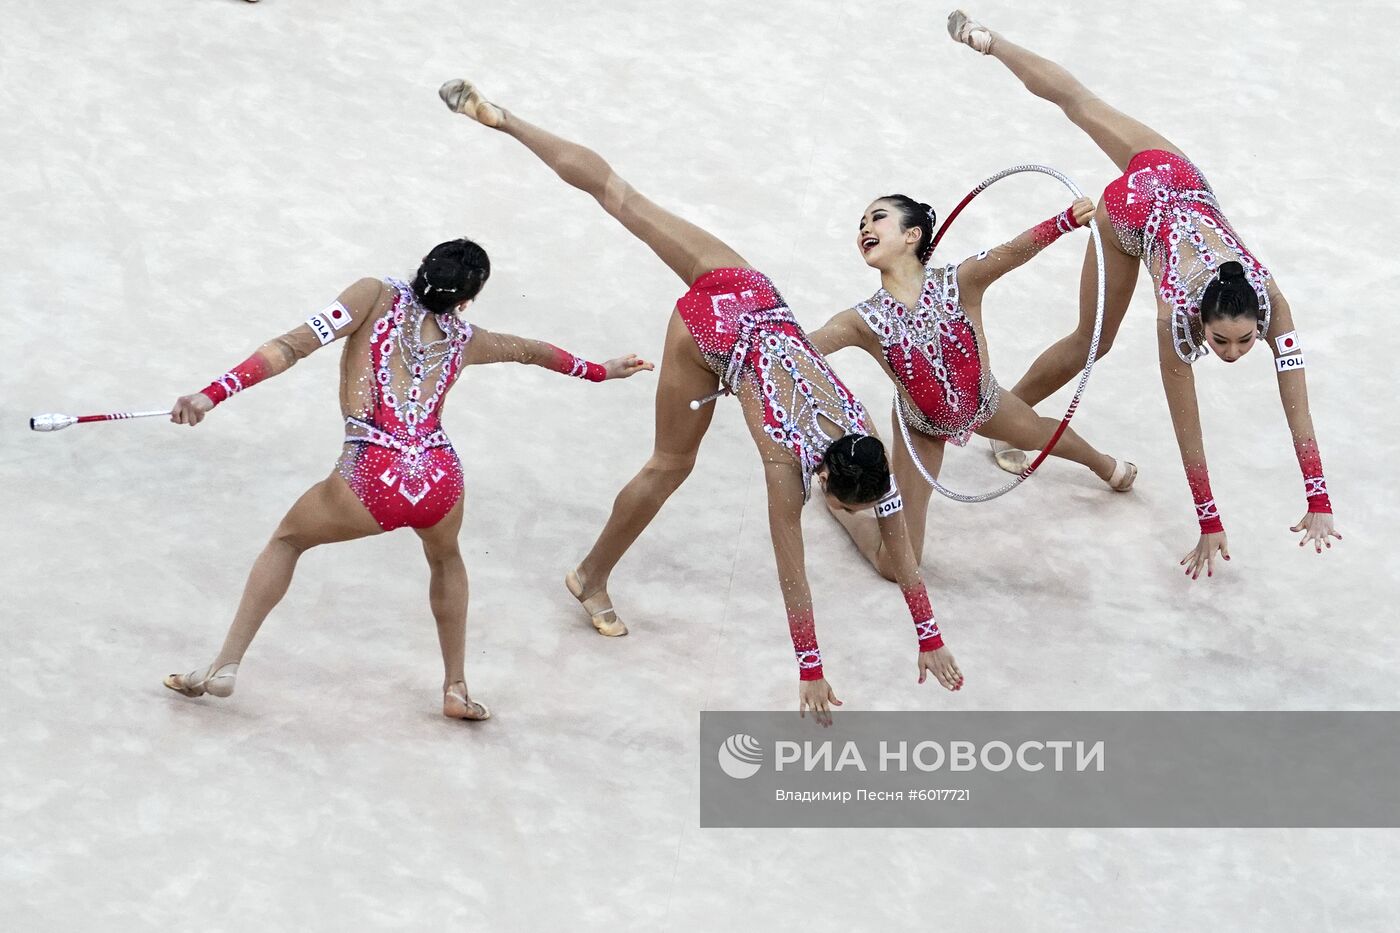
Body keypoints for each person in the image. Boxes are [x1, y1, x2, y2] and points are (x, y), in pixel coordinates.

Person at [438, 79, 964, 724]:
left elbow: (901, 553)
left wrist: (930, 637)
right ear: (822, 473)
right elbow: (792, 572)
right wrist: (811, 670)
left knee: (621, 196)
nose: (845, 512)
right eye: (840, 503)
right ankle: (590, 575)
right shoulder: (784, 465)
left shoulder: (864, 445)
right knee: (669, 465)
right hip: (708, 335)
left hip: (747, 292)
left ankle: (507, 120)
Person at [162, 239, 652, 719]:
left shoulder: (371, 295)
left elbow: (291, 347)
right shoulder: (467, 339)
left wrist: (212, 395)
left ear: (422, 268)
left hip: (370, 475)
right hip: (439, 479)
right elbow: (531, 350)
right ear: (465, 300)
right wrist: (599, 371)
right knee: (446, 560)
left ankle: (226, 663)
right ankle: (456, 687)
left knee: (288, 542)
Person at [947, 10, 1340, 579]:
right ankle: (1015, 416)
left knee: (1081, 102)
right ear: (1199, 323)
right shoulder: (1176, 317)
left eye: (1243, 341)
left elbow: (1296, 402)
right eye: (1221, 341)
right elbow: (1188, 421)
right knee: (1093, 341)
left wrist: (1319, 497)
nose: (1231, 353)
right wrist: (1207, 518)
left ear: (1261, 320)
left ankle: (990, 42)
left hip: (1176, 177)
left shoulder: (1271, 301)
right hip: (1130, 215)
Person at [810, 193, 1136, 580]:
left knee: (1040, 433)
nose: (865, 227)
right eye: (861, 223)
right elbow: (804, 347)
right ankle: (843, 512)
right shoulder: (862, 320)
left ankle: (1103, 465)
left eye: (877, 218)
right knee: (900, 566)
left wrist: (1063, 221)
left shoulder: (960, 281)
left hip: (984, 402)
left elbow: (1012, 251)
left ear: (913, 234)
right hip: (921, 430)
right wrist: (748, 353)